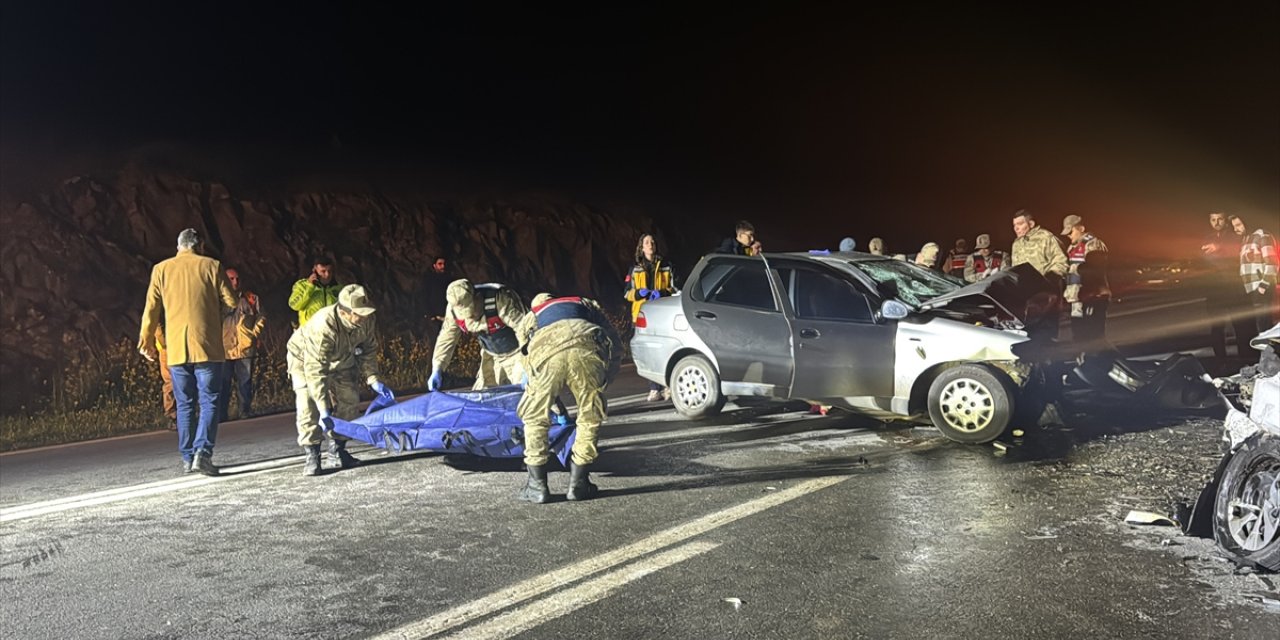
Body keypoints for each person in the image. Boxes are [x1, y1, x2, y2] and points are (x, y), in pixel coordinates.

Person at [138, 228, 236, 475]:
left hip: (176, 349)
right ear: (200, 245)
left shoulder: (161, 269)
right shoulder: (212, 265)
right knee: (210, 400)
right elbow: (232, 301)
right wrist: (216, 315)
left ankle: (187, 456)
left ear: (179, 246)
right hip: (207, 347)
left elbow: (151, 308)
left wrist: (146, 341)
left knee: (184, 404)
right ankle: (203, 452)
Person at [514, 294, 622, 503]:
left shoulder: (533, 314)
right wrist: (606, 377)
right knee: (590, 416)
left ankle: (537, 487)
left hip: (545, 353)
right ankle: (579, 484)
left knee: (535, 418)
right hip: (586, 347)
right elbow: (614, 341)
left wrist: (532, 382)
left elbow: (523, 352)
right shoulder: (585, 303)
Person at [286, 284, 394, 476]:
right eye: (359, 313)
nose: (365, 316)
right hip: (304, 360)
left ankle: (337, 449)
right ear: (344, 313)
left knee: (350, 400)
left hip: (342, 358)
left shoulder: (366, 320)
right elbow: (315, 369)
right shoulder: (324, 325)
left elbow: (368, 349)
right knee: (308, 403)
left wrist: (373, 378)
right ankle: (312, 453)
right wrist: (323, 407)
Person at [429, 279, 529, 392]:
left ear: (476, 296)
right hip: (491, 356)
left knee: (524, 394)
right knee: (482, 395)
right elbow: (446, 339)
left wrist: (529, 364)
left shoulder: (500, 299)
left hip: (518, 354)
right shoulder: (453, 309)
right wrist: (437, 368)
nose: (469, 317)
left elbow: (526, 330)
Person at [624, 234, 678, 401]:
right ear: (641, 246)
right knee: (649, 352)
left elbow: (675, 287)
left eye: (653, 242)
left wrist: (662, 293)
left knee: (668, 349)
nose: (650, 245)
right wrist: (639, 294)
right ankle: (654, 388)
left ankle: (668, 386)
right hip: (642, 315)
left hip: (663, 312)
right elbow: (626, 293)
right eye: (647, 242)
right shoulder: (634, 268)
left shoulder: (666, 265)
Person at [1201, 211, 1255, 358]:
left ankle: (1245, 359)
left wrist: (1219, 248)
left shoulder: (1234, 236)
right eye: (1213, 219)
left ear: (1225, 221)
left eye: (1220, 219)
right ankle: (1221, 361)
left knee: (1240, 326)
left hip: (1234, 289)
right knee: (1216, 328)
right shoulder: (1206, 239)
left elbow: (1236, 253)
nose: (1216, 222)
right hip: (1214, 291)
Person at [1011, 210, 1069, 340]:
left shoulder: (1046, 237)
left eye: (1020, 224)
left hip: (1046, 295)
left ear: (1031, 223)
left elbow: (1061, 261)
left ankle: (1049, 359)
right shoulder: (1017, 244)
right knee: (1027, 334)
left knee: (1046, 334)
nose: (1016, 228)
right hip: (1025, 298)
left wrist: (1050, 279)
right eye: (1014, 225)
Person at [218, 267, 266, 421]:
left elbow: (262, 316)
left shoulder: (251, 298)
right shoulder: (217, 300)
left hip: (245, 348)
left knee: (245, 382)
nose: (235, 282)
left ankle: (244, 411)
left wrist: (253, 335)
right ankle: (221, 415)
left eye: (237, 278)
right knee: (223, 384)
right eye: (231, 279)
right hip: (224, 348)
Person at [1062, 215, 1111, 344]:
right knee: (1078, 334)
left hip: (1093, 297)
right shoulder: (1072, 248)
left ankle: (1098, 362)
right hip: (1077, 299)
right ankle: (1083, 359)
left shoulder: (1094, 244)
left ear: (1081, 228)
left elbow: (1096, 270)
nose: (1068, 236)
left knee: (1093, 334)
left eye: (1071, 231)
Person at [1233, 215, 1279, 336]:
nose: (1235, 229)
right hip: (1252, 289)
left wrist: (1263, 286)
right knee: (1261, 326)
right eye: (1234, 226)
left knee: (1265, 325)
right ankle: (1266, 353)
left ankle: (1269, 354)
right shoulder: (1246, 239)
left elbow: (1272, 263)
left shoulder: (1262, 235)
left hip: (1261, 288)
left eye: (1238, 225)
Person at [288, 256, 341, 327]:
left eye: (330, 271)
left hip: (331, 330)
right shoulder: (302, 285)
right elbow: (294, 305)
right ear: (315, 271)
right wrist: (310, 287)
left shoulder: (338, 288)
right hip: (310, 331)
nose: (327, 275)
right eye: (323, 271)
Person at [154, 325, 177, 430]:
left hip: (168, 344)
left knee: (170, 381)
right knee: (170, 382)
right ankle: (173, 415)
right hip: (169, 344)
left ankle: (173, 415)